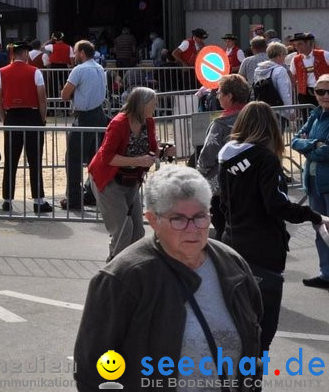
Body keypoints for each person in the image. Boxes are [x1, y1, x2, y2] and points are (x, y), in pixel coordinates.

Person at [73, 166, 262, 391]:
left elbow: (254, 344)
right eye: (178, 219)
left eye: (200, 216)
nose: (193, 229)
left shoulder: (232, 265)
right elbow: (91, 370)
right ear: (153, 220)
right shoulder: (122, 279)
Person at [218, 101, 328, 352]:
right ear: (270, 126)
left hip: (233, 243)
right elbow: (276, 204)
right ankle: (250, 381)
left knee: (235, 322)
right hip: (262, 248)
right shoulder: (264, 158)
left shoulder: (226, 155)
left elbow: (221, 202)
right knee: (262, 331)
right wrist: (313, 215)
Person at [87, 87, 174, 261]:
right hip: (109, 180)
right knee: (123, 230)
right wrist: (138, 161)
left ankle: (128, 268)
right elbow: (107, 157)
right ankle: (114, 269)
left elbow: (150, 150)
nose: (155, 107)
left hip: (131, 181)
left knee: (138, 232)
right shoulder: (119, 123)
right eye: (153, 103)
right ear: (141, 105)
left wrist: (165, 152)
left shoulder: (148, 122)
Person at [0, 41, 51, 213]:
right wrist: (42, 118)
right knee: (35, 159)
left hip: (12, 116)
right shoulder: (35, 72)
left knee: (11, 159)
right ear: (25, 54)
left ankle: (7, 199)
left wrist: (5, 117)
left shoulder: (1, 72)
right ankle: (38, 200)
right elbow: (42, 98)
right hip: (32, 116)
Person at [196, 74, 250, 238]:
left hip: (223, 186)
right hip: (251, 183)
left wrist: (199, 171)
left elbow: (208, 156)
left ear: (229, 96)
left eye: (220, 92)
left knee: (224, 231)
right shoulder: (256, 117)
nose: (217, 96)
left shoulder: (220, 124)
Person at [290, 73, 329, 289]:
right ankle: (326, 274)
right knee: (320, 230)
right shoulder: (314, 115)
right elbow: (295, 140)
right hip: (313, 182)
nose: (324, 96)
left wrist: (309, 146)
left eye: (328, 91)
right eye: (320, 91)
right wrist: (316, 145)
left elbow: (327, 153)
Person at [60, 40, 108, 211]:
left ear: (81, 53)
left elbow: (65, 94)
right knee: (95, 158)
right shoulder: (100, 68)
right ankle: (91, 194)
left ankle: (74, 198)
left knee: (73, 158)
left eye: (75, 52)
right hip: (99, 115)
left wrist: (73, 94)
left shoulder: (79, 70)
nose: (73, 55)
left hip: (84, 117)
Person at [288, 32, 329, 108]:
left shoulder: (324, 54)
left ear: (309, 43)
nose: (297, 47)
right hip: (305, 94)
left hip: (324, 93)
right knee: (307, 118)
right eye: (295, 45)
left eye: (300, 44)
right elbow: (292, 76)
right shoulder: (295, 59)